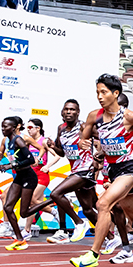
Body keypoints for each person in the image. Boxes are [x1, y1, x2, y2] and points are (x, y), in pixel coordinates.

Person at [69, 74, 133, 267]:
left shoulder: (129, 116)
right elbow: (83, 139)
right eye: (97, 93)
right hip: (112, 170)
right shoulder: (95, 116)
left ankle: (93, 255)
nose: (99, 96)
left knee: (103, 203)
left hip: (130, 170)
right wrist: (83, 143)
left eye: (103, 92)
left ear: (115, 93)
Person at [24, 100, 96, 245]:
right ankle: (113, 236)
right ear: (62, 112)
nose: (69, 112)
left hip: (86, 170)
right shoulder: (61, 128)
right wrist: (51, 145)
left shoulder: (83, 126)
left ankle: (79, 223)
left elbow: (102, 140)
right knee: (89, 208)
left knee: (56, 194)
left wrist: (98, 156)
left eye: (72, 109)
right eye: (66, 109)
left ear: (78, 112)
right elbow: (61, 152)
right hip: (76, 170)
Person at [0, 116, 42, 251]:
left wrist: (11, 166)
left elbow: (30, 160)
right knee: (8, 207)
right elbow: (14, 162)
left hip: (29, 177)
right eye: (2, 126)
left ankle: (52, 201)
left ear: (14, 128)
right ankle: (20, 240)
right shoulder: (8, 142)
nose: (3, 129)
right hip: (19, 177)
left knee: (24, 213)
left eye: (6, 126)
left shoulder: (19, 140)